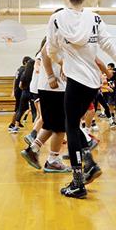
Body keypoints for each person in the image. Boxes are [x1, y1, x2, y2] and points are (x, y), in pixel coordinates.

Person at [47, 0, 116, 199]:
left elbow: (50, 49)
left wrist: (60, 60)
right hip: (92, 83)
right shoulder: (95, 19)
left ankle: (78, 182)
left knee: (70, 126)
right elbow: (108, 43)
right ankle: (88, 163)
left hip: (75, 81)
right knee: (75, 125)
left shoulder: (57, 18)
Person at [21, 39, 71, 173]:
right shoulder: (59, 32)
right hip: (54, 87)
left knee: (50, 124)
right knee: (60, 127)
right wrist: (50, 76)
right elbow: (44, 53)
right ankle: (52, 161)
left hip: (53, 87)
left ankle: (33, 150)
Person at [8, 56, 31, 132]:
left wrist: (13, 90)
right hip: (20, 91)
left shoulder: (19, 69)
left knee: (25, 108)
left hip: (17, 90)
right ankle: (12, 124)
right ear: (25, 62)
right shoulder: (24, 70)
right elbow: (21, 82)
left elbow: (14, 80)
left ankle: (18, 121)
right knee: (18, 108)